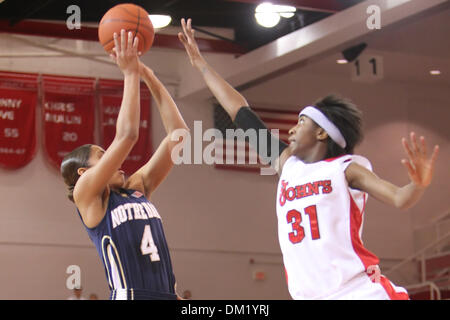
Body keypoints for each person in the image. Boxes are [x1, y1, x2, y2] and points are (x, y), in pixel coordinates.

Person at [178, 18, 440, 300]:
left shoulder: (346, 169)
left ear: (322, 133)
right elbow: (240, 112)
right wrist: (201, 66)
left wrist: (419, 184)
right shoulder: (288, 165)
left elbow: (400, 198)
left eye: (301, 122)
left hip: (358, 292)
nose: (291, 128)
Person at [61, 30, 188, 300]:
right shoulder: (87, 194)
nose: (114, 161)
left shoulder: (137, 188)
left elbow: (179, 136)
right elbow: (128, 135)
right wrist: (130, 74)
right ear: (84, 172)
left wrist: (149, 77)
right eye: (103, 155)